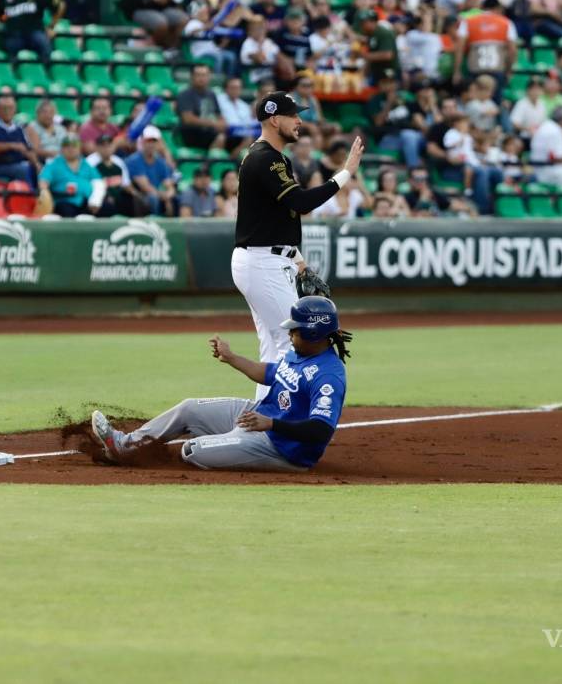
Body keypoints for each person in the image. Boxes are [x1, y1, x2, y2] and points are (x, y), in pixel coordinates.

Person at [89, 295, 350, 472]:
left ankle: (230, 443)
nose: (290, 333)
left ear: (313, 333)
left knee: (192, 450)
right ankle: (122, 446)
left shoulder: (329, 376)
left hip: (283, 449)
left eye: (295, 329)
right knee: (189, 408)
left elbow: (321, 430)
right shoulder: (300, 352)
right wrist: (232, 358)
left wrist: (271, 424)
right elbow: (272, 373)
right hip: (257, 417)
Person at [233, 92, 362, 400]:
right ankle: (275, 417)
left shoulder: (272, 157)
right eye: (293, 115)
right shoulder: (265, 159)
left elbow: (279, 215)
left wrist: (298, 259)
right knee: (291, 340)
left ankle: (261, 413)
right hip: (262, 260)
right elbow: (300, 203)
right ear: (275, 119)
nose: (299, 120)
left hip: (269, 257)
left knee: (273, 344)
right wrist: (345, 173)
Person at [0, 94, 39, 187]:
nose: (7, 111)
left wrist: (36, 164)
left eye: (10, 108)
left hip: (17, 163)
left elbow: (26, 149)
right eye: (4, 108)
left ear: (15, 110)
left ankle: (43, 197)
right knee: (22, 169)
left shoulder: (18, 128)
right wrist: (11, 146)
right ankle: (29, 196)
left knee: (40, 168)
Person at [39, 136, 104, 217]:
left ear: (80, 148)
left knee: (107, 208)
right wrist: (44, 192)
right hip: (64, 201)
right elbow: (43, 181)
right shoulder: (54, 164)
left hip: (87, 202)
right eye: (67, 145)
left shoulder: (86, 164)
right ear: (61, 149)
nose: (71, 148)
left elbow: (98, 182)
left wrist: (95, 200)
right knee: (66, 210)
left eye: (74, 145)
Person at [125, 125, 178, 216]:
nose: (151, 145)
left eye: (154, 141)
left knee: (175, 199)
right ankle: (153, 223)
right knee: (152, 198)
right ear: (142, 142)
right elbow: (145, 187)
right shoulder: (133, 160)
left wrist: (169, 195)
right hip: (138, 197)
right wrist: (164, 197)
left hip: (157, 194)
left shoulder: (161, 162)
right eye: (148, 141)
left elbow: (169, 185)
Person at [177, 64, 225, 151]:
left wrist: (222, 123)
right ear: (192, 77)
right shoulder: (185, 94)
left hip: (209, 131)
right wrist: (213, 123)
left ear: (209, 77)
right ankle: (208, 163)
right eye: (198, 75)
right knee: (221, 137)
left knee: (241, 138)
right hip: (192, 133)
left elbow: (219, 116)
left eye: (204, 75)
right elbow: (188, 119)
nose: (201, 78)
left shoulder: (211, 94)